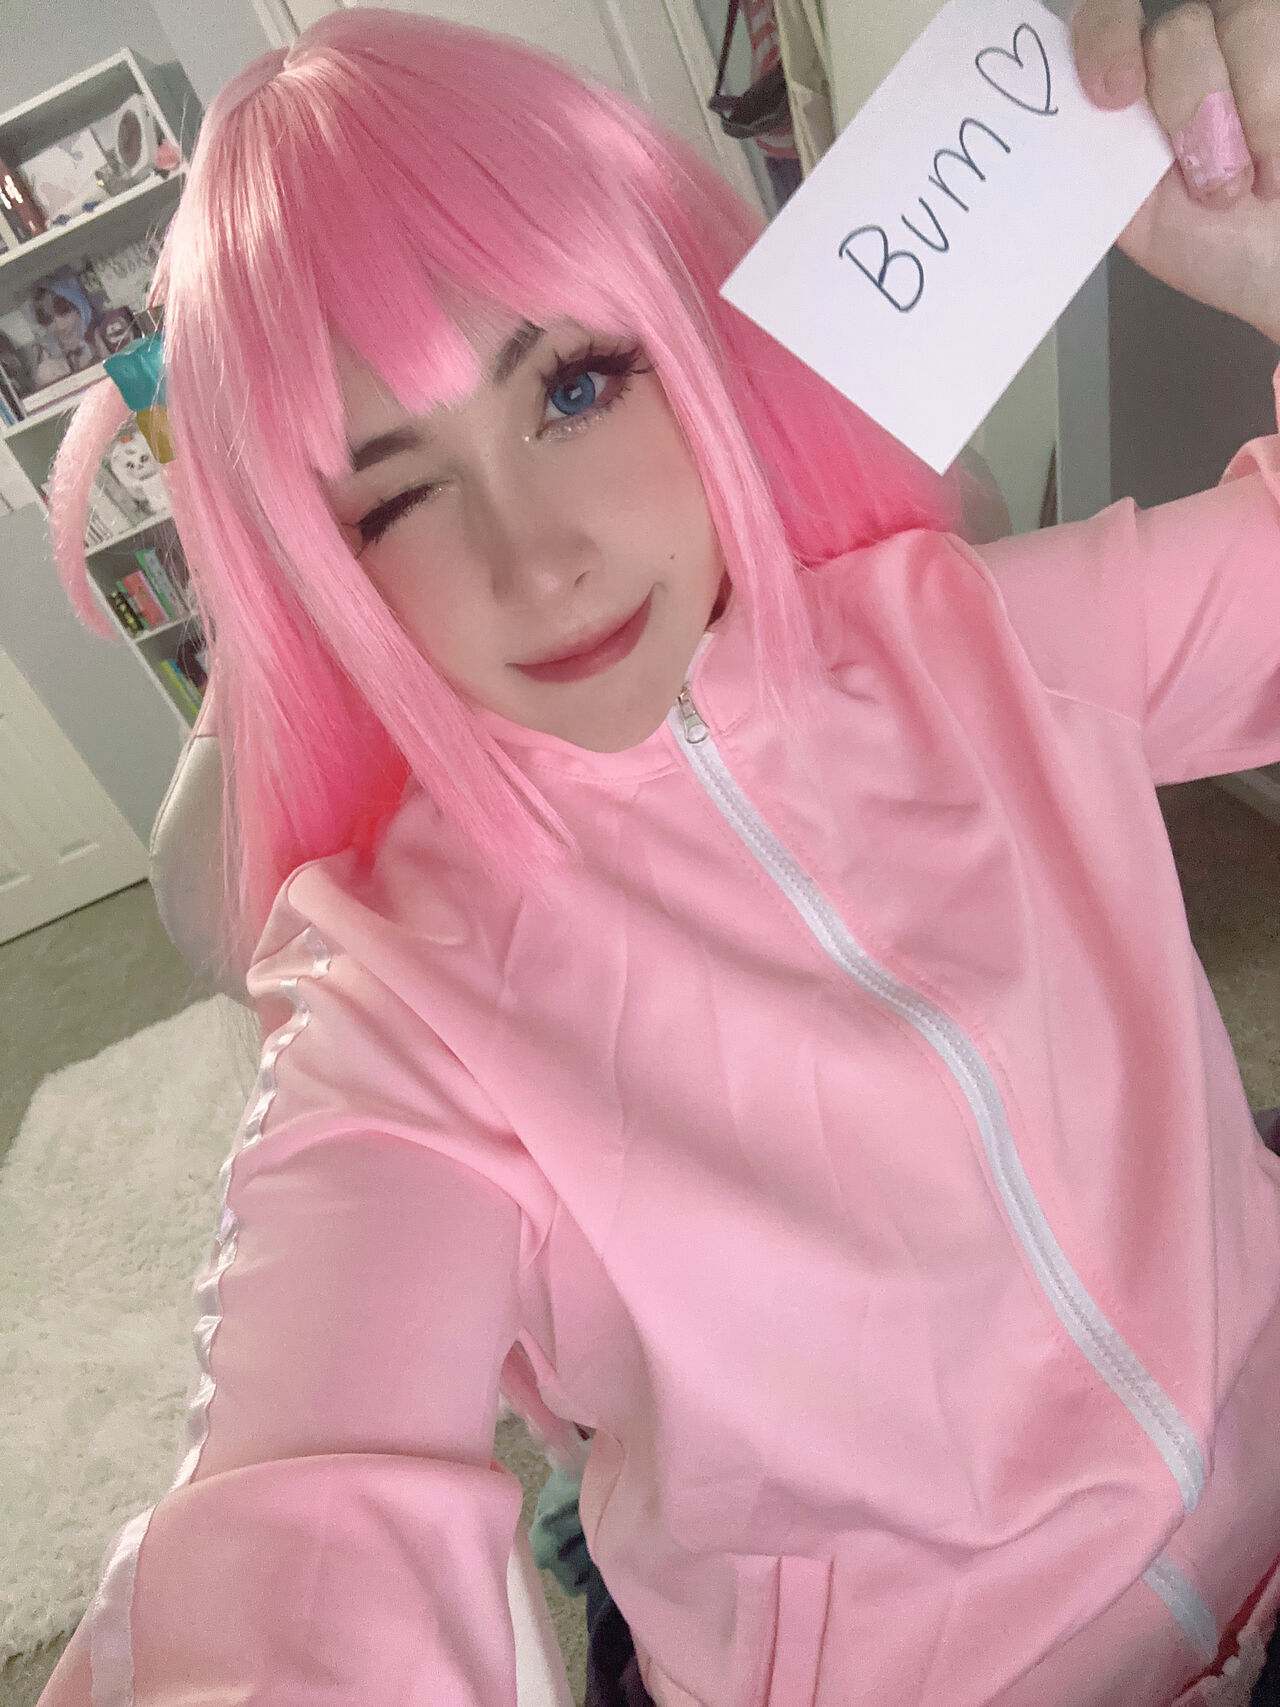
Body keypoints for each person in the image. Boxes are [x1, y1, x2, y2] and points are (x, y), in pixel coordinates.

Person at [36, 4, 1280, 1704]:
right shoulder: (397, 999)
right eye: (394, 499)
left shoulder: (959, 638)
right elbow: (299, 1533)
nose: (537, 558)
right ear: (322, 579)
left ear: (684, 338)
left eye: (573, 387)